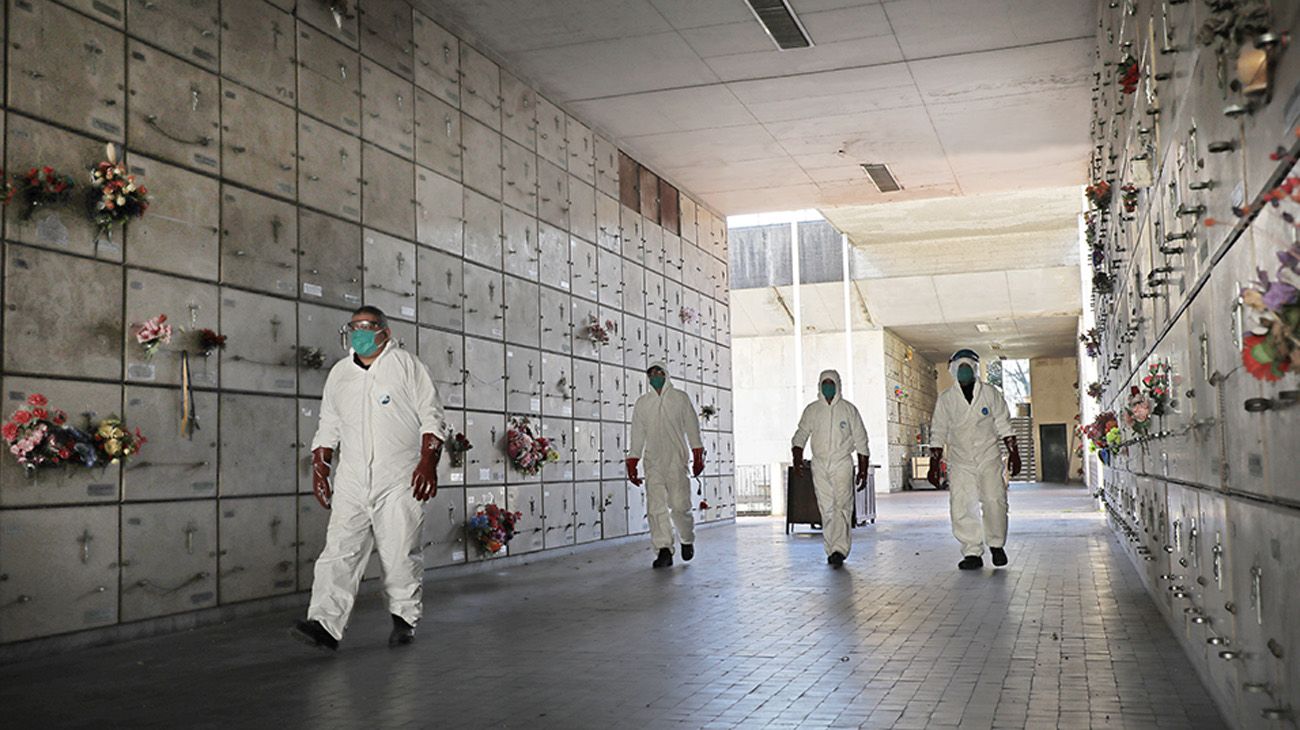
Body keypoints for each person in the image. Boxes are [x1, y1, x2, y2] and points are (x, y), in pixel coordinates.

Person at [291, 306, 446, 651]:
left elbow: (431, 416)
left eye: (368, 326)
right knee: (339, 551)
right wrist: (321, 471)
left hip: (399, 478)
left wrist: (427, 461)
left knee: (400, 551)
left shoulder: (406, 366)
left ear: (385, 333)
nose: (360, 332)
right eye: (355, 327)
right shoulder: (340, 374)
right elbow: (328, 425)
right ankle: (325, 624)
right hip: (352, 478)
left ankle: (404, 620)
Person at [928, 349, 1022, 570]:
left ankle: (997, 545)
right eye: (960, 369)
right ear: (953, 371)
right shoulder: (946, 399)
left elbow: (1003, 424)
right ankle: (972, 551)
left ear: (974, 370)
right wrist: (934, 464)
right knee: (962, 505)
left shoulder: (990, 393)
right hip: (961, 461)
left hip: (988, 457)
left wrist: (1014, 453)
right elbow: (938, 430)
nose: (964, 373)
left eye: (967, 368)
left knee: (995, 501)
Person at [626, 362, 705, 569]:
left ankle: (687, 539)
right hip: (653, 463)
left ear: (666, 375)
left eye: (659, 372)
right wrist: (633, 459)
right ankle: (663, 550)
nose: (655, 376)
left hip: (676, 461)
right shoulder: (643, 403)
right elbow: (637, 434)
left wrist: (698, 454)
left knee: (679, 505)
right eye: (651, 373)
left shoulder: (680, 398)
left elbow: (692, 427)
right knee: (656, 508)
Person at [791, 370, 869, 566]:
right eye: (824, 383)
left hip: (842, 463)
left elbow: (861, 440)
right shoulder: (812, 410)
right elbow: (800, 435)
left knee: (842, 506)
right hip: (820, 464)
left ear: (838, 385)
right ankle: (830, 549)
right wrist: (797, 458)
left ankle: (840, 550)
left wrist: (862, 469)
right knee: (826, 508)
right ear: (819, 385)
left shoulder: (848, 410)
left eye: (831, 383)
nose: (828, 387)